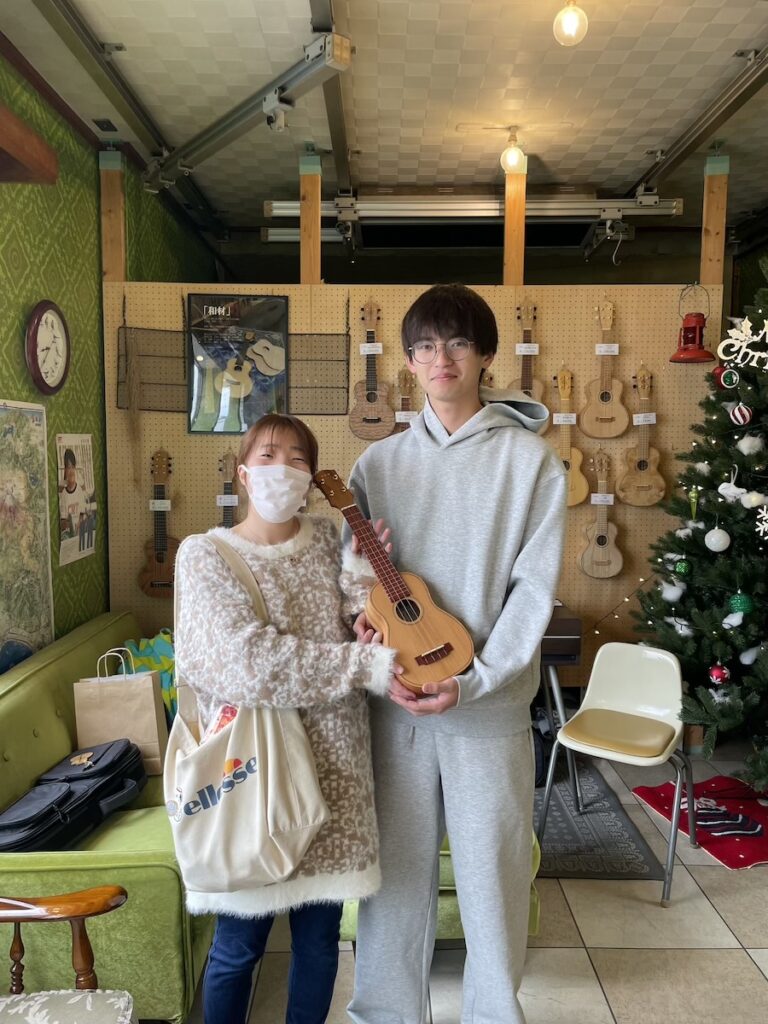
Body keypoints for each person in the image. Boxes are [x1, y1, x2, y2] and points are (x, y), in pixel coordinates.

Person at [344, 284, 567, 1024]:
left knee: (494, 886)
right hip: (397, 710)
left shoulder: (532, 464)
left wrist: (477, 681)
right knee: (391, 887)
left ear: (486, 355)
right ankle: (383, 1015)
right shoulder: (376, 466)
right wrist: (365, 640)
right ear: (409, 363)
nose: (443, 359)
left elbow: (533, 593)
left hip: (488, 713)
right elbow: (356, 584)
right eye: (426, 346)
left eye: (460, 343)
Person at [173, 413, 397, 1024]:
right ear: (243, 473)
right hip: (251, 773)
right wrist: (362, 665)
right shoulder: (204, 555)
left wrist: (364, 581)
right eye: (269, 455)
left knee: (320, 945)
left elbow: (358, 620)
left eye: (299, 459)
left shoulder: (328, 539)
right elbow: (248, 664)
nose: (284, 469)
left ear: (313, 478)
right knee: (236, 949)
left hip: (336, 770)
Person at [58, 448, 87, 545]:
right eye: (68, 467)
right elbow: (63, 517)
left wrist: (80, 523)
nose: (70, 470)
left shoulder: (80, 484)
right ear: (65, 468)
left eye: (72, 466)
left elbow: (83, 509)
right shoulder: (62, 487)